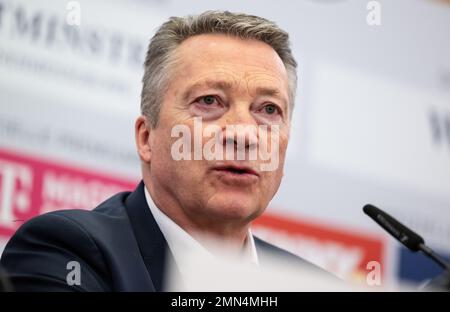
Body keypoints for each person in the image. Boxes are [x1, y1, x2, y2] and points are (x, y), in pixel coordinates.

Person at [0, 10, 327, 291]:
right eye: (209, 101)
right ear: (146, 138)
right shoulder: (67, 253)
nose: (244, 134)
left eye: (269, 110)